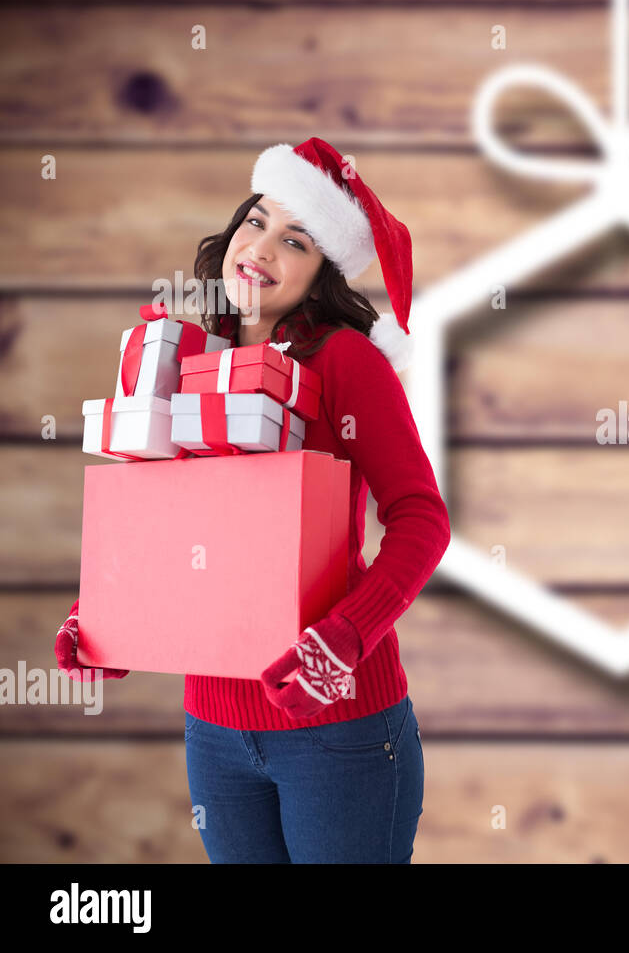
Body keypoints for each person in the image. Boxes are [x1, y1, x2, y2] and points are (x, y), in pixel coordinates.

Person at [55, 137, 450, 863]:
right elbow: (168, 523)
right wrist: (105, 617)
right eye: (256, 222)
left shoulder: (345, 362)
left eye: (295, 240)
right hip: (214, 732)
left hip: (339, 730)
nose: (261, 248)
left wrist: (346, 637)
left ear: (323, 273)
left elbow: (422, 518)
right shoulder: (185, 358)